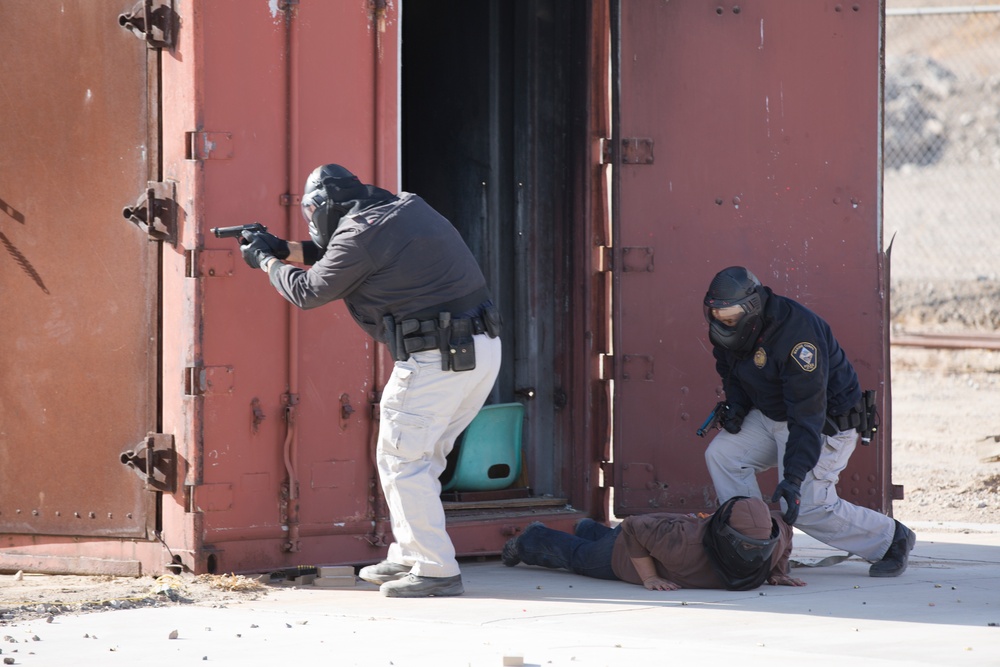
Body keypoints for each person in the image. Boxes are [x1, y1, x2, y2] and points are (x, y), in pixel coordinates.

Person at [238, 163, 502, 597]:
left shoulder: (360, 234)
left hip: (434, 357)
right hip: (477, 352)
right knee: (421, 459)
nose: (310, 219)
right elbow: (344, 257)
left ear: (326, 206)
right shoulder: (402, 209)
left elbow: (310, 291)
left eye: (311, 211)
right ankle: (410, 553)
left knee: (403, 460)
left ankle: (435, 570)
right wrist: (283, 247)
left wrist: (266, 260)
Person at [701, 266, 915, 577]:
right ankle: (752, 543)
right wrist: (736, 407)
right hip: (774, 416)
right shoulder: (730, 332)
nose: (722, 320)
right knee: (723, 456)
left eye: (730, 315)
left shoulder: (798, 335)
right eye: (716, 313)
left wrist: (793, 478)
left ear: (752, 306)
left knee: (804, 505)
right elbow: (733, 373)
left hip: (822, 423)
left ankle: (891, 538)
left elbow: (807, 411)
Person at [500, 496, 805, 590]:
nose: (753, 553)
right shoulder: (684, 544)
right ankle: (531, 538)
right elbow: (633, 527)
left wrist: (777, 569)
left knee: (601, 539)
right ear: (723, 536)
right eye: (744, 544)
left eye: (760, 546)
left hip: (656, 536)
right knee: (580, 558)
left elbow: (786, 530)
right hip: (627, 551)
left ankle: (587, 527)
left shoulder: (773, 539)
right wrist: (649, 577)